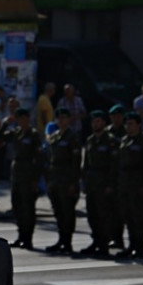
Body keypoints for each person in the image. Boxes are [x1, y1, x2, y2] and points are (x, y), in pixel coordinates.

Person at [0, 108, 42, 250]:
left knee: (28, 207)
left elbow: (39, 158)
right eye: (18, 118)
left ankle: (28, 238)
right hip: (17, 173)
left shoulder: (33, 135)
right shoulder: (16, 132)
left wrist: (35, 179)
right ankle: (21, 235)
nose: (21, 121)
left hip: (28, 174)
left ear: (28, 118)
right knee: (17, 206)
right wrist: (5, 124)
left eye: (23, 118)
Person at [81, 110, 118, 257]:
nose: (95, 124)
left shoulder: (110, 140)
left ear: (104, 123)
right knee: (92, 215)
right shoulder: (90, 140)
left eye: (98, 121)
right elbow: (86, 164)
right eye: (93, 121)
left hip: (104, 182)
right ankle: (96, 241)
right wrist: (84, 182)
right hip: (92, 182)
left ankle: (104, 244)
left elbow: (114, 165)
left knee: (104, 215)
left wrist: (110, 184)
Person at [44, 108, 81, 253]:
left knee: (67, 211)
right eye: (59, 118)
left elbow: (76, 162)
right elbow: (49, 158)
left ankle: (67, 241)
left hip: (67, 179)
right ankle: (61, 239)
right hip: (55, 178)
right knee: (58, 211)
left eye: (64, 118)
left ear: (69, 119)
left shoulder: (73, 137)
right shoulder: (55, 136)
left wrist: (74, 182)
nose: (61, 120)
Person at [116, 112, 143, 259]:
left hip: (137, 182)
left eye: (131, 123)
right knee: (128, 216)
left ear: (139, 125)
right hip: (125, 182)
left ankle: (139, 246)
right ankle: (131, 245)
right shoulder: (124, 140)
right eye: (127, 124)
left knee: (138, 217)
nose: (128, 126)